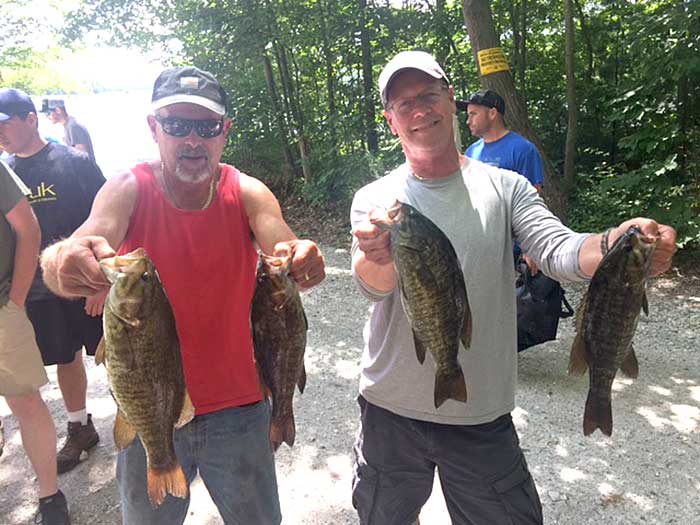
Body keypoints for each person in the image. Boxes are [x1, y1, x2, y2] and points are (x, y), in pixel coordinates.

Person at [349, 50, 676, 525]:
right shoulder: (376, 198)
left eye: (428, 96)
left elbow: (558, 249)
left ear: (452, 100)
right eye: (404, 104)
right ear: (390, 120)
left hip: (480, 410)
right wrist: (378, 256)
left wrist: (616, 243)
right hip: (388, 408)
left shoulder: (505, 186)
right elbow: (372, 286)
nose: (419, 111)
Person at [39, 66, 326, 524]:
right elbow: (76, 248)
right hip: (149, 408)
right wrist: (62, 263)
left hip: (242, 408)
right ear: (154, 128)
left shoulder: (246, 191)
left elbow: (284, 248)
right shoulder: (127, 189)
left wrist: (303, 257)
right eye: (176, 125)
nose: (192, 140)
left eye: (206, 127)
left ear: (224, 132)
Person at [0, 88, 106, 475]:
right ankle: (80, 427)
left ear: (31, 119)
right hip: (39, 292)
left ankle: (141, 427)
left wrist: (103, 284)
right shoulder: (5, 170)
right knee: (65, 358)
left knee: (114, 354)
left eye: (5, 123)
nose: (1, 133)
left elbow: (113, 221)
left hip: (86, 285)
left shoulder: (74, 162)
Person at [0, 157, 71, 524]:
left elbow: (28, 228)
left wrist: (16, 300)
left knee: (25, 401)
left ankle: (50, 496)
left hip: (1, 309)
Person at [464, 89, 544, 192]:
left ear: (492, 113)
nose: (468, 121)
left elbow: (533, 199)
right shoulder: (471, 152)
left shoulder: (523, 150)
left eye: (473, 114)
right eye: (468, 115)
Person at [42, 98, 97, 163]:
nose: (46, 117)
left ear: (58, 110)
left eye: (48, 113)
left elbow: (81, 156)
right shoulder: (67, 125)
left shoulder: (73, 126)